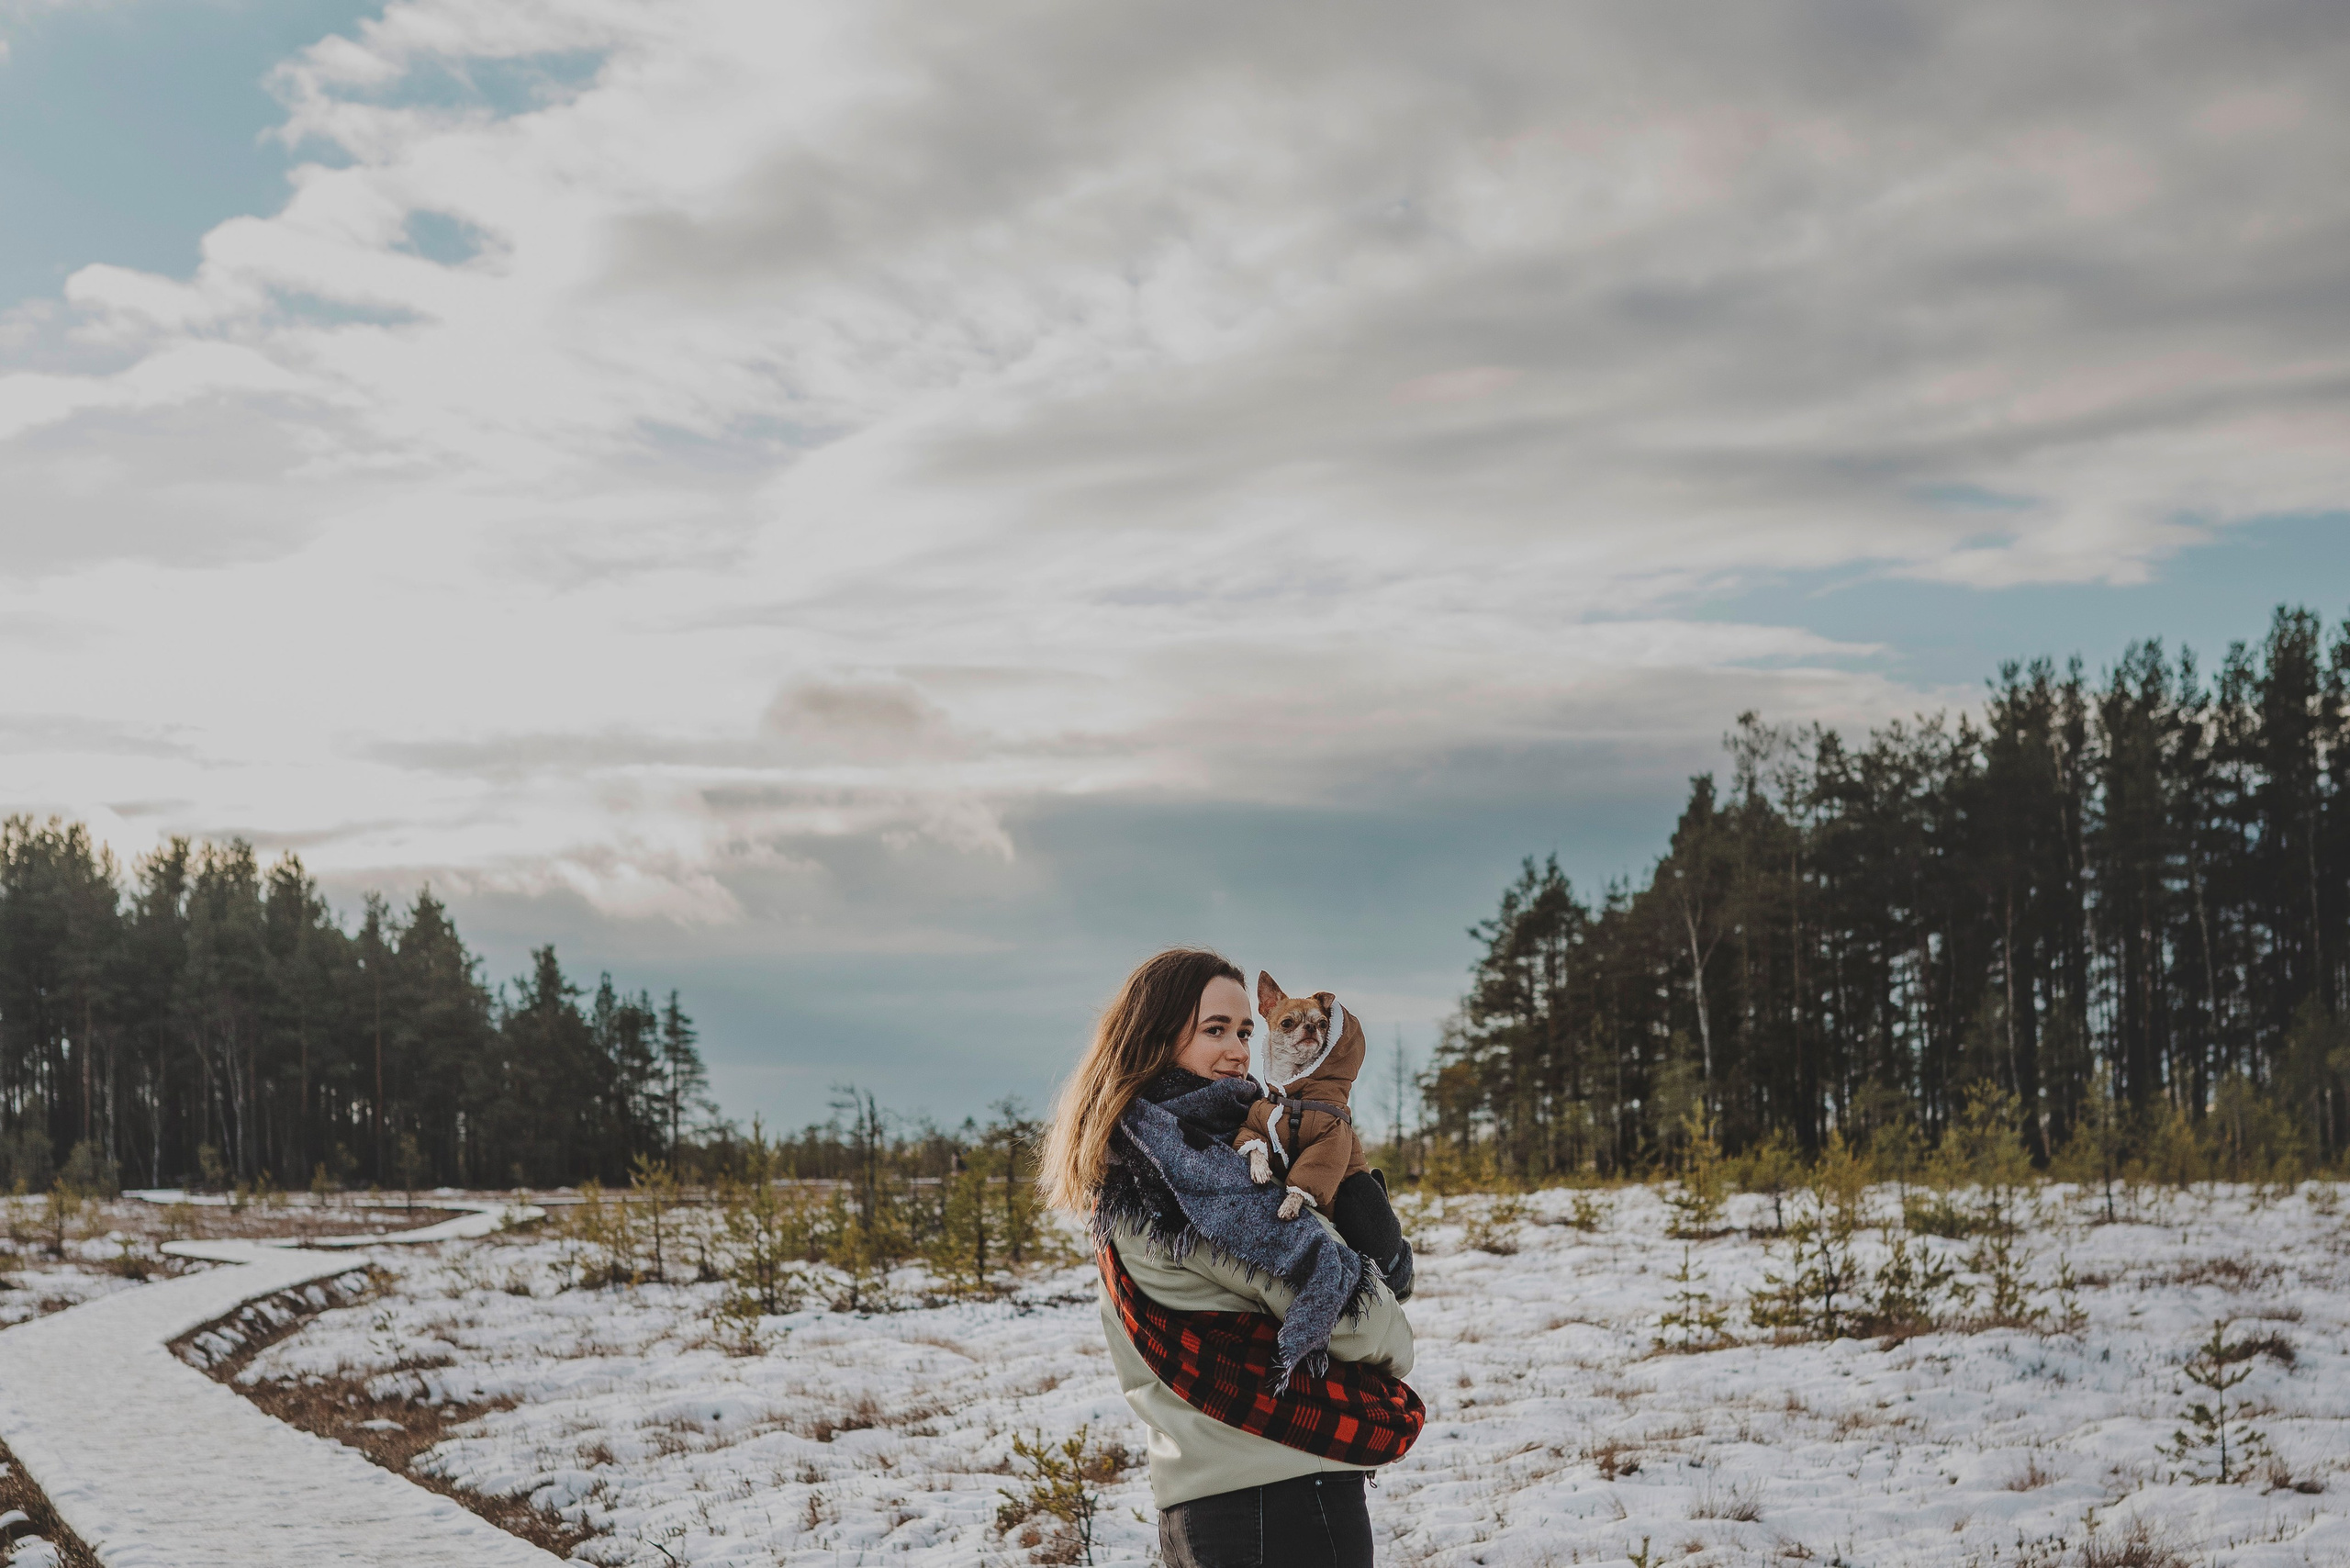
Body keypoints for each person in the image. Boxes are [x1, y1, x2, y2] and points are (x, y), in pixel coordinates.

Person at [1040, 947, 1421, 1568]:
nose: (1241, 1049)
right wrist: (1374, 1268)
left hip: (1198, 1496)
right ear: (1154, 1042)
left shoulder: (1132, 1164)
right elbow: (1376, 1334)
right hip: (1285, 1497)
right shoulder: (1206, 1178)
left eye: (1245, 1029)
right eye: (1214, 1030)